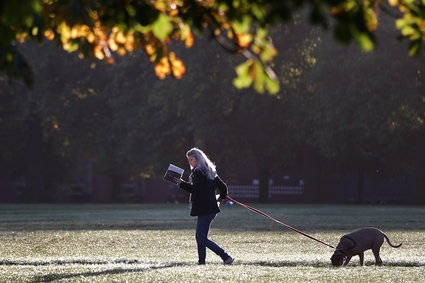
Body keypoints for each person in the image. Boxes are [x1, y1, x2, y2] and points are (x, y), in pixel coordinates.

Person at [175, 147, 234, 265]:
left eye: (191, 159)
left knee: (201, 238)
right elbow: (223, 187)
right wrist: (222, 197)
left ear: (198, 159)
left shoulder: (198, 171)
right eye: (189, 160)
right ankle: (201, 262)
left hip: (205, 209)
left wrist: (181, 183)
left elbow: (195, 190)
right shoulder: (209, 171)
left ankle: (226, 257)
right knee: (200, 237)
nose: (189, 162)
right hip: (210, 209)